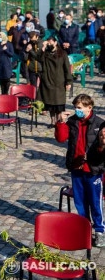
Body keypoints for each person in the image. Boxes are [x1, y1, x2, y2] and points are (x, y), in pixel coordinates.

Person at [57, 95, 105, 246]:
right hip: (76, 168)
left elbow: (102, 147)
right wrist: (61, 122)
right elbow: (61, 138)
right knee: (80, 202)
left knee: (95, 202)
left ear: (89, 107)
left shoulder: (99, 123)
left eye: (79, 108)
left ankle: (99, 231)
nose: (76, 110)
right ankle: (85, 227)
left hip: (93, 170)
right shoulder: (72, 122)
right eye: (75, 108)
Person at [28, 37, 72, 125]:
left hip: (59, 81)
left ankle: (59, 121)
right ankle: (52, 121)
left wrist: (69, 81)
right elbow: (38, 58)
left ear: (55, 43)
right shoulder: (46, 53)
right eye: (48, 43)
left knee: (59, 102)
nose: (49, 45)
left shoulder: (62, 54)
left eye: (50, 43)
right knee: (50, 103)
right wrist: (43, 48)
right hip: (47, 81)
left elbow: (67, 68)